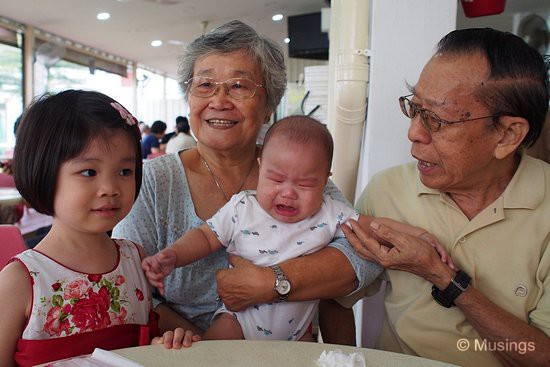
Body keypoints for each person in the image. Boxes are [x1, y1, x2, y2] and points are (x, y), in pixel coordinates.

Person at [112, 20, 392, 340]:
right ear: (189, 98)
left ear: (268, 106)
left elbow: (362, 260)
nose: (219, 100)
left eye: (239, 86)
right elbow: (129, 287)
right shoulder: (153, 183)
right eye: (205, 85)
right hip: (184, 351)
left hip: (285, 350)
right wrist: (210, 351)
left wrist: (270, 283)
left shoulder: (298, 177)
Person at [341, 28, 550, 366]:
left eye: (436, 119)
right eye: (415, 107)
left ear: (508, 135)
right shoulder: (387, 190)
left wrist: (442, 276)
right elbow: (337, 297)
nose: (413, 133)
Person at [142, 116, 441, 341]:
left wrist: (418, 236)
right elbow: (206, 237)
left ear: (325, 180)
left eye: (304, 184)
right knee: (215, 355)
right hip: (238, 322)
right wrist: (172, 256)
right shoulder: (242, 208)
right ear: (261, 167)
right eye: (275, 179)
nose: (287, 192)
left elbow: (373, 227)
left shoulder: (329, 212)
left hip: (299, 331)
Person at [0, 90, 197, 367]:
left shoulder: (134, 258)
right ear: (44, 172)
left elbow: (138, 344)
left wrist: (164, 343)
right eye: (89, 172)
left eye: (125, 171)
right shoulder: (21, 280)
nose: (111, 189)